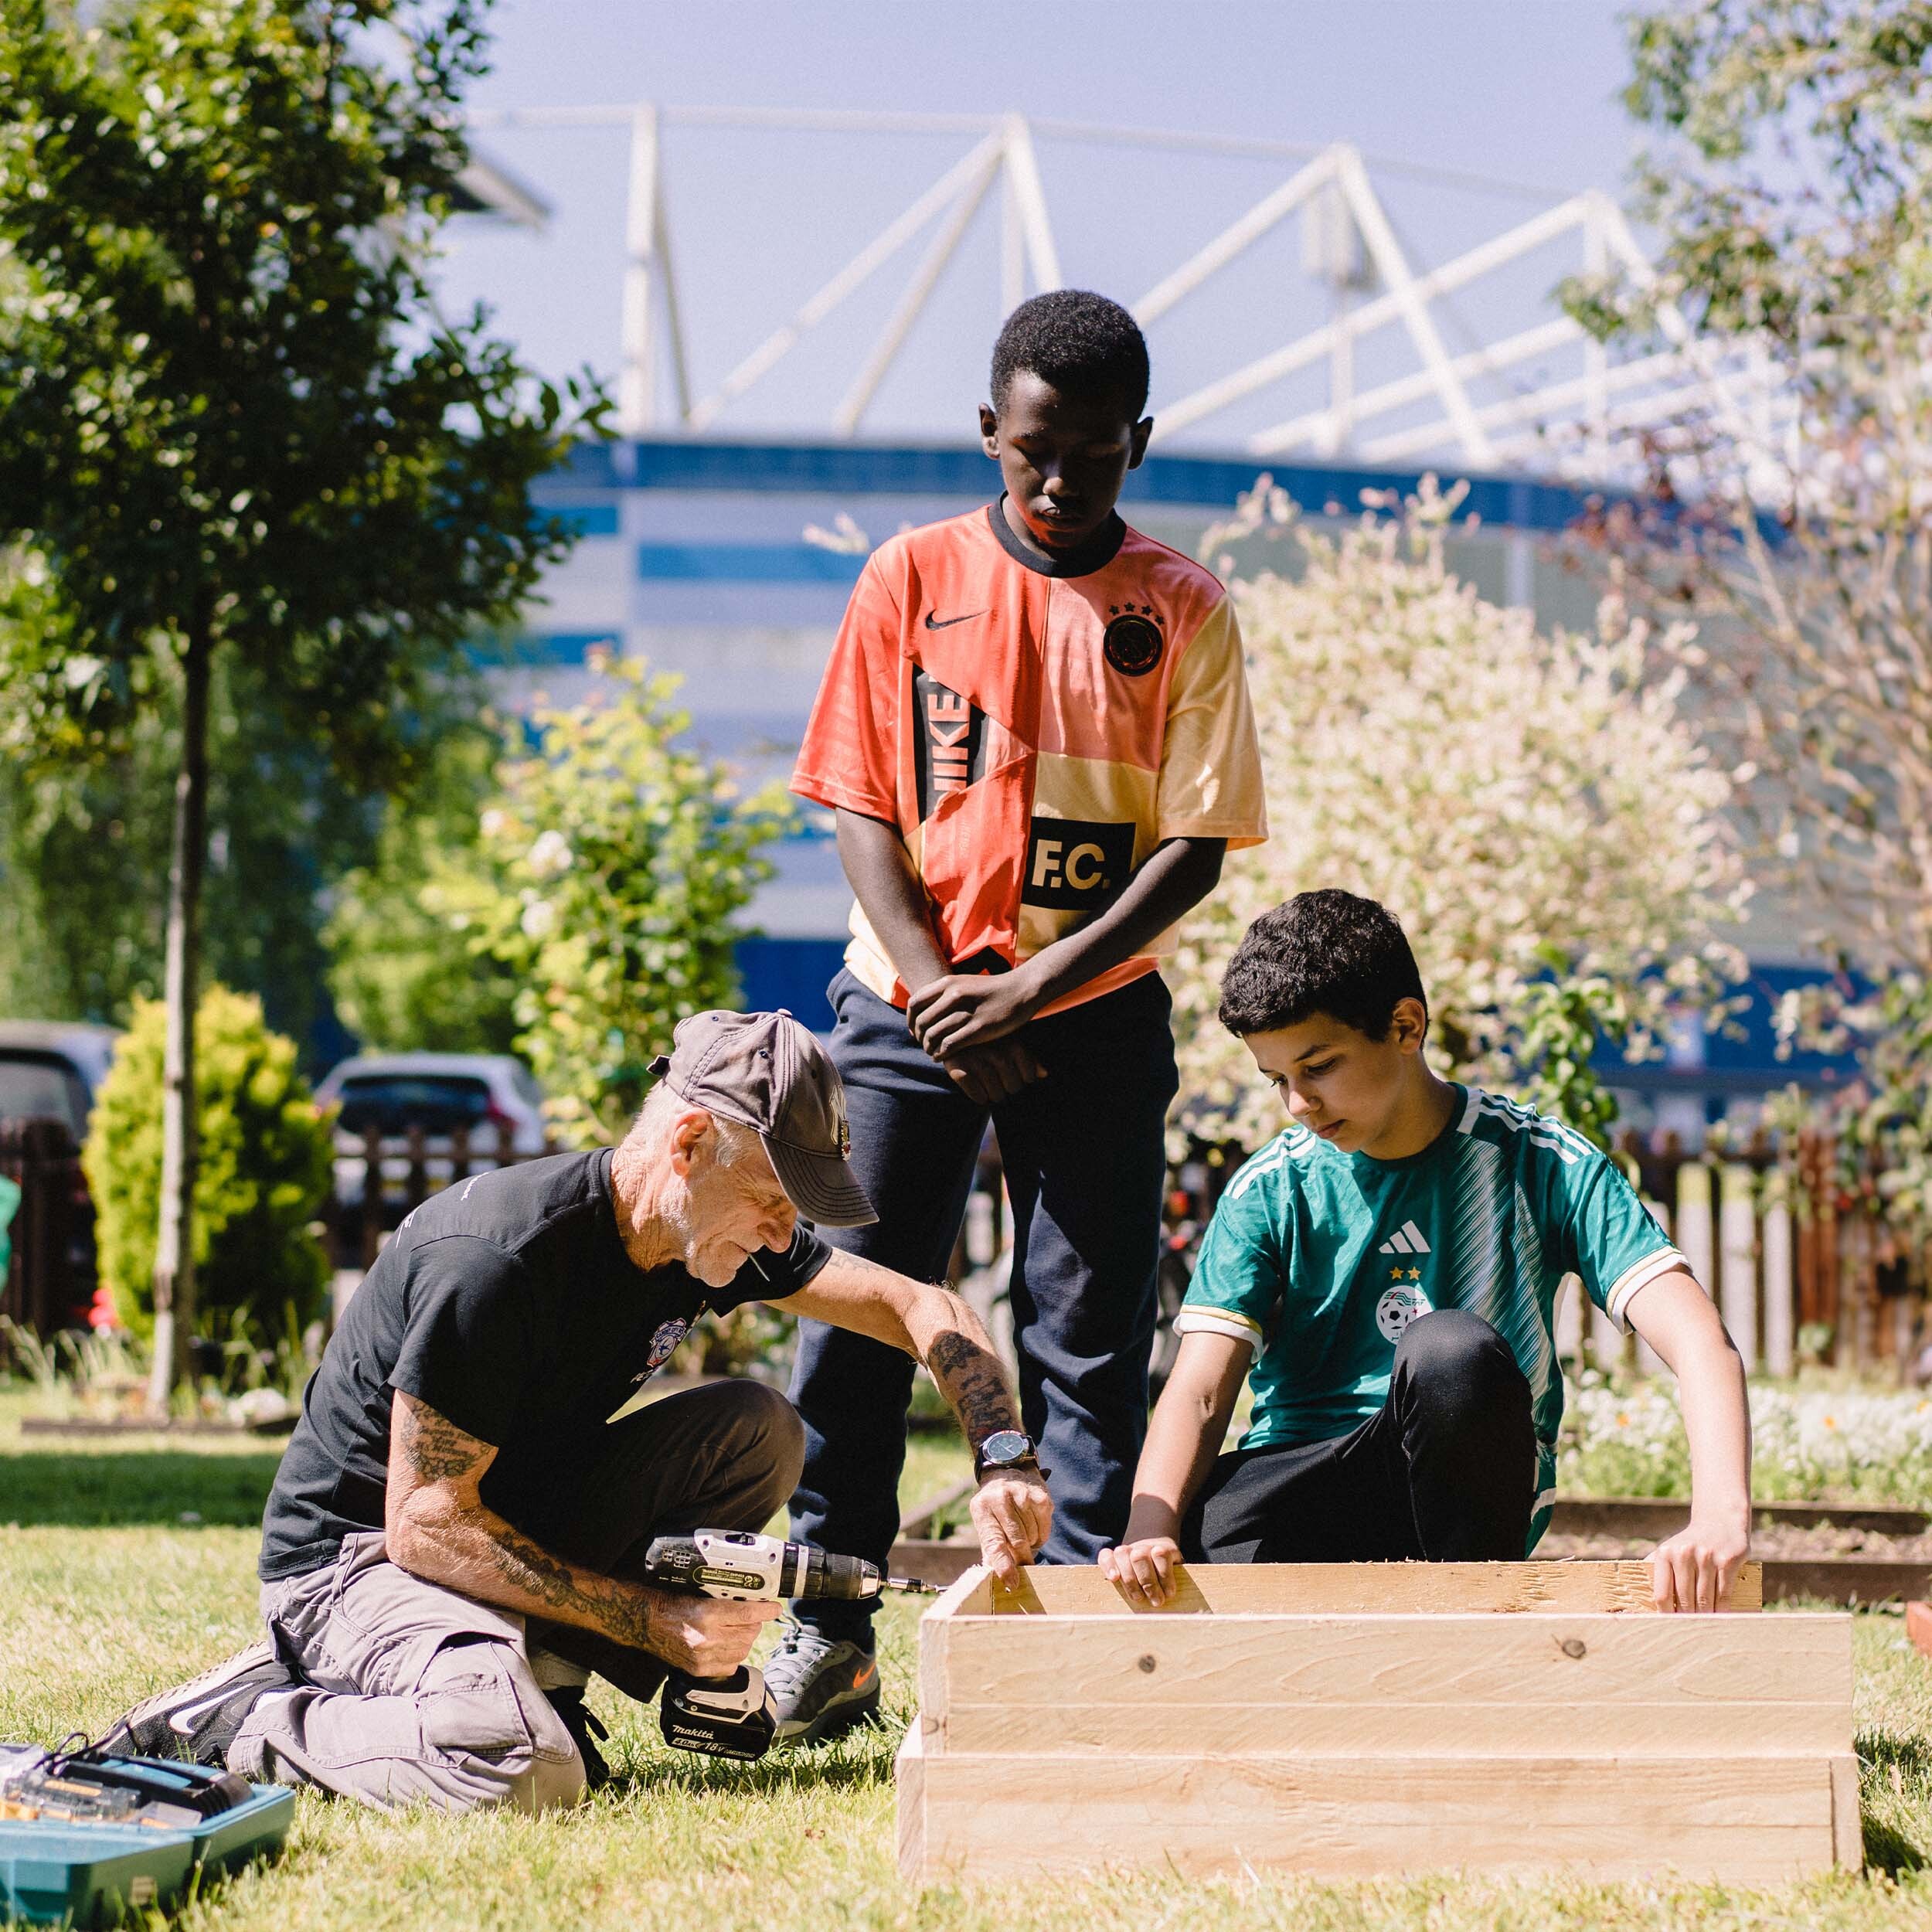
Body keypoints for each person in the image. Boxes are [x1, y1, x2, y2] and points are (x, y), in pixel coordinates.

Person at [104, 1009, 1050, 1811]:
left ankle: (542, 1682)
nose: (781, 1232)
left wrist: (1004, 1455)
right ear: (687, 1145)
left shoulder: (699, 1230)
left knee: (756, 1429)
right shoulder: (497, 1262)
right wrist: (653, 1622)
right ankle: (249, 1719)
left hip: (492, 1517)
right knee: (524, 1770)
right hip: (356, 1562)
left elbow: (924, 1305)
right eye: (771, 1199)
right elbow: (424, 1525)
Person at [770, 287, 1268, 1741]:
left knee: (1087, 1332)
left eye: (1097, 455)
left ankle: (1073, 1642)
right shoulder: (908, 578)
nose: (1060, 482)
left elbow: (1195, 840)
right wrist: (939, 990)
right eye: (1035, 449)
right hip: (905, 1014)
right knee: (861, 1324)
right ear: (991, 431)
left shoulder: (1183, 609)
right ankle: (830, 1626)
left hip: (1091, 1018)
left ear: (1141, 445)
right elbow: (863, 799)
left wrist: (1035, 988)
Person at [1099, 891, 1753, 1614]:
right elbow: (1199, 1387)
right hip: (1311, 1481)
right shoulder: (1270, 1187)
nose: (1297, 1104)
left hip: (1464, 1493)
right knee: (1205, 1519)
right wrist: (1149, 1531)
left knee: (1450, 1349)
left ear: (1405, 1026)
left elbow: (1700, 1341)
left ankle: (1466, 1620)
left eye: (1318, 1067)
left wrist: (1720, 1519)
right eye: (1277, 1078)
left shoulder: (1542, 1161)